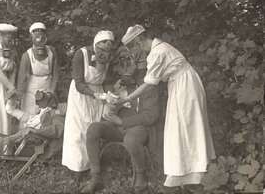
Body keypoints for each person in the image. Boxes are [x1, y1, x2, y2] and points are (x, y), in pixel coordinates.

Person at [116, 24, 216, 188]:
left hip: (185, 85)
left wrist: (125, 99)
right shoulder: (158, 49)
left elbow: (149, 84)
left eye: (133, 46)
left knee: (187, 124)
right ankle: (187, 171)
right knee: (183, 125)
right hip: (180, 83)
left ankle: (194, 171)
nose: (134, 51)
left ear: (140, 39)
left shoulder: (159, 52)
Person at [81, 46, 161, 193]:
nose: (122, 70)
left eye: (127, 65)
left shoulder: (148, 84)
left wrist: (122, 122)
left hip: (138, 127)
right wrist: (112, 102)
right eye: (120, 66)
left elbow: (152, 115)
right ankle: (96, 176)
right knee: (93, 129)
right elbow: (108, 114)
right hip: (119, 126)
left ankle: (141, 175)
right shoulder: (119, 85)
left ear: (136, 66)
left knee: (131, 139)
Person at [62, 30, 115, 174]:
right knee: (78, 131)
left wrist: (110, 95)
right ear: (96, 44)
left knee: (92, 128)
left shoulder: (109, 58)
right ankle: (77, 168)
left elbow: (108, 81)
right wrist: (94, 94)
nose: (106, 47)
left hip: (97, 96)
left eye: (109, 45)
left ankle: (92, 166)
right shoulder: (82, 54)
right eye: (103, 44)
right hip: (81, 95)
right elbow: (79, 83)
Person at [17, 22, 59, 124]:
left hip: (48, 87)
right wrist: (18, 96)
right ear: (32, 37)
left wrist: (52, 92)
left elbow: (56, 74)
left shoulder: (51, 52)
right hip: (31, 90)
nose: (39, 38)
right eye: (36, 35)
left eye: (42, 35)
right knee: (30, 117)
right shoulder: (27, 55)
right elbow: (22, 79)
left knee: (47, 117)